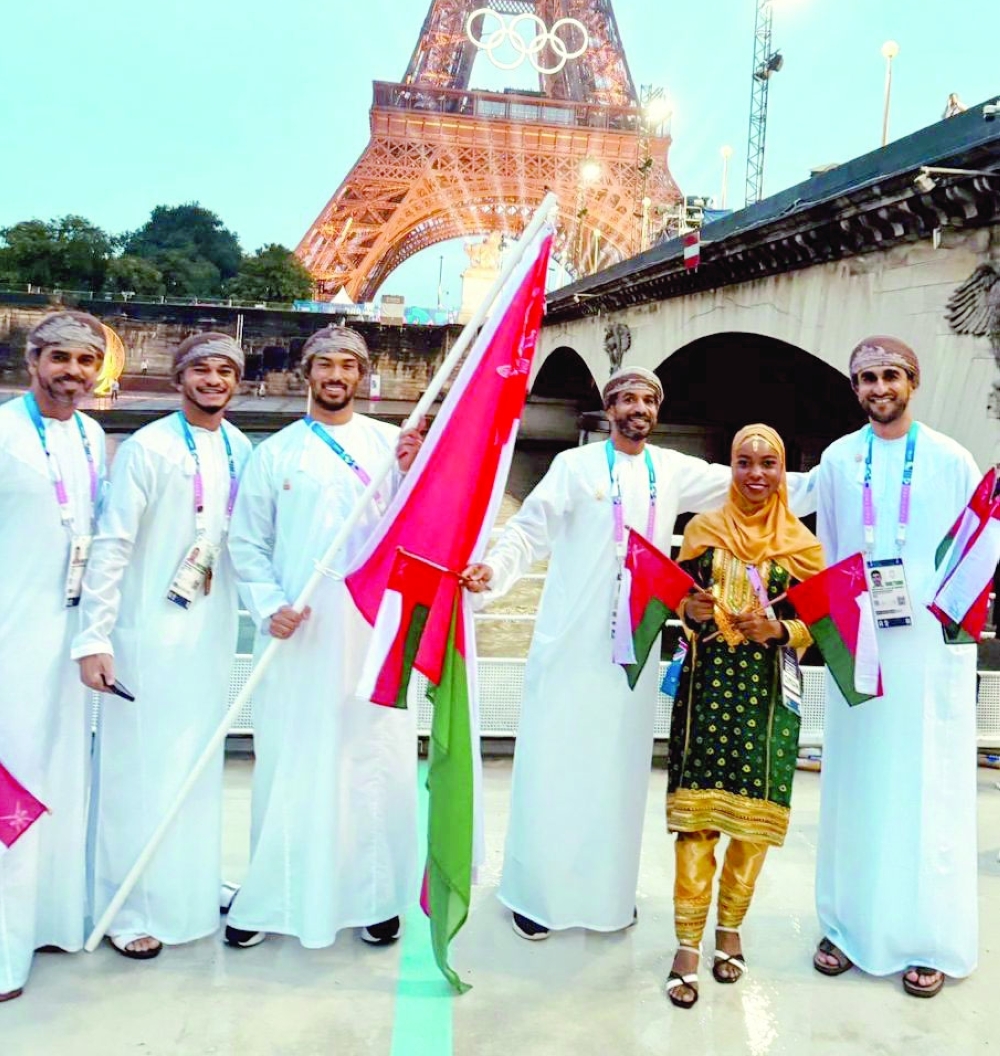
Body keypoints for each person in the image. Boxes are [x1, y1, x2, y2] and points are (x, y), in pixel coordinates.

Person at [461, 366, 777, 943]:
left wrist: (835, 482)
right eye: (627, 399)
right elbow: (527, 534)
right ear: (609, 409)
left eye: (648, 400)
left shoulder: (673, 471)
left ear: (656, 411)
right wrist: (492, 574)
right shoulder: (573, 467)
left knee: (618, 773)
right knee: (555, 768)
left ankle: (607, 896)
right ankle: (538, 897)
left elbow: (753, 483)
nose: (638, 408)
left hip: (632, 648)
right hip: (569, 643)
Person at [223, 328, 424, 950]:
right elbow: (247, 544)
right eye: (325, 365)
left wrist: (418, 474)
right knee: (290, 760)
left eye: (348, 365)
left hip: (371, 631)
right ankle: (273, 896)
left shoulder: (393, 448)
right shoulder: (274, 454)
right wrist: (268, 605)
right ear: (307, 373)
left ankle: (375, 896)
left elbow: (420, 530)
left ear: (363, 376)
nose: (336, 375)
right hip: (297, 633)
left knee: (371, 759)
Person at [73, 334, 252, 959]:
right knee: (137, 768)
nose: (212, 379)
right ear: (181, 380)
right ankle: (127, 905)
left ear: (237, 382)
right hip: (146, 631)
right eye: (201, 369)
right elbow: (114, 544)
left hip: (210, 631)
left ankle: (190, 884)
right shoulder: (148, 448)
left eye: (224, 370)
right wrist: (94, 636)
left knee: (196, 764)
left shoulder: (238, 447)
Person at [812, 336, 980, 998]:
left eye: (889, 375)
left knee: (926, 786)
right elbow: (827, 552)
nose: (877, 387)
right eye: (864, 378)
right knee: (856, 783)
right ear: (854, 389)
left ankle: (927, 937)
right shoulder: (837, 458)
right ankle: (848, 925)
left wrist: (954, 641)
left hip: (928, 653)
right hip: (861, 644)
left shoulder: (949, 459)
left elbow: (974, 555)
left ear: (913, 381)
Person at [664, 424, 824, 1008]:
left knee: (751, 828)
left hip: (767, 701)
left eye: (769, 463)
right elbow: (678, 602)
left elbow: (828, 621)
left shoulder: (803, 546)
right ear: (728, 467)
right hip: (706, 692)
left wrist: (783, 628)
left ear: (784, 472)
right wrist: (689, 606)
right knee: (696, 822)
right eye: (743, 462)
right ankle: (686, 944)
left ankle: (729, 929)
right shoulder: (703, 531)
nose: (756, 475)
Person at [0, 311, 108, 1002]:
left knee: (65, 782)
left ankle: (51, 921)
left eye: (85, 362)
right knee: (12, 788)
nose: (72, 373)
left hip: (70, 639)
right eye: (60, 358)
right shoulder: (3, 431)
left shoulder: (94, 435)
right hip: (10, 634)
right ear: (32, 359)